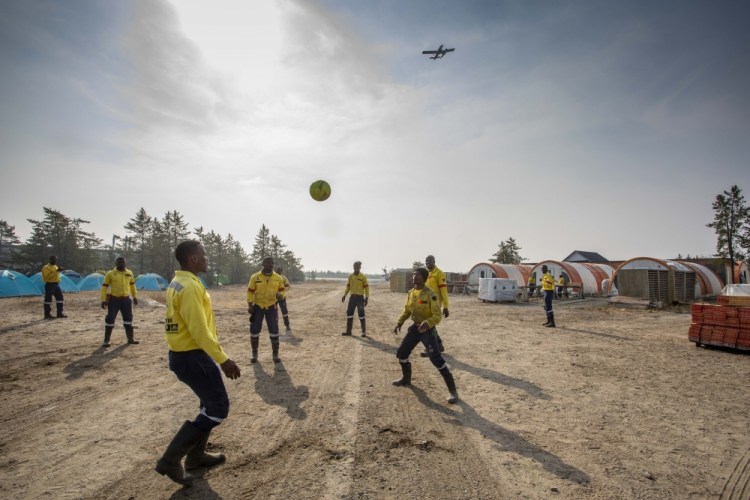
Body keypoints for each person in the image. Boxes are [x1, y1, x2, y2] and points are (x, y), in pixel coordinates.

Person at [155, 240, 241, 486]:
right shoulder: (190, 287)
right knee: (218, 408)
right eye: (203, 255)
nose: (207, 259)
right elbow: (199, 331)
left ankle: (196, 455)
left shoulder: (178, 282)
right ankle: (171, 460)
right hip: (193, 355)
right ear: (192, 258)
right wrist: (223, 360)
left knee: (208, 404)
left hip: (183, 354)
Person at [393, 267, 458, 404]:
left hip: (427, 331)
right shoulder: (411, 293)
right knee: (402, 353)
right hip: (415, 329)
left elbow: (437, 315)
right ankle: (406, 378)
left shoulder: (430, 294)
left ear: (424, 277)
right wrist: (399, 322)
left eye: (417, 275)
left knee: (436, 359)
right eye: (413, 275)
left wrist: (427, 323)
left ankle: (453, 391)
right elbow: (407, 311)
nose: (414, 277)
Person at [247, 257, 286, 362]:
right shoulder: (255, 277)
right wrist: (250, 305)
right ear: (263, 264)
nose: (271, 265)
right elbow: (250, 291)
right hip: (257, 307)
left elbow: (282, 290)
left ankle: (275, 354)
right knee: (254, 330)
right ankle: (254, 354)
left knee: (274, 330)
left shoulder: (278, 278)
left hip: (271, 307)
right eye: (269, 263)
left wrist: (281, 295)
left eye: (272, 264)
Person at [100, 257, 139, 347]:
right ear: (116, 263)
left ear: (125, 263)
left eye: (123, 262)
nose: (121, 264)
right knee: (110, 318)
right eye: (119, 262)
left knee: (128, 319)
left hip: (126, 300)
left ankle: (130, 338)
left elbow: (132, 286)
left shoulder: (129, 273)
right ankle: (106, 340)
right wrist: (103, 299)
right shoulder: (110, 274)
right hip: (114, 300)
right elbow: (104, 287)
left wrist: (134, 296)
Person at [420, 255, 449, 357]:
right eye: (426, 262)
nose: (427, 263)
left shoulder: (439, 273)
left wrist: (446, 306)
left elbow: (444, 291)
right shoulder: (427, 274)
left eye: (429, 261)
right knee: (430, 325)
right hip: (426, 303)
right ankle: (439, 345)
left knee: (428, 325)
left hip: (435, 304)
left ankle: (430, 348)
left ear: (434, 261)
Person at [341, 261, 369, 337]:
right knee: (349, 313)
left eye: (357, 266)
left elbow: (366, 288)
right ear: (353, 267)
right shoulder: (350, 276)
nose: (356, 268)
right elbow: (348, 286)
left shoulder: (363, 277)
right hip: (352, 298)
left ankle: (363, 332)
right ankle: (348, 331)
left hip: (360, 298)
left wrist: (366, 298)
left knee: (361, 314)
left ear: (360, 267)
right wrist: (344, 295)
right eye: (355, 266)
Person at [275, 266, 292, 334]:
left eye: (279, 270)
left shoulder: (284, 278)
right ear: (275, 270)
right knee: (274, 312)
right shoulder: (273, 277)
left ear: (281, 271)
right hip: (274, 298)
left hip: (282, 297)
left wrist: (281, 292)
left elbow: (288, 286)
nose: (278, 271)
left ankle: (287, 325)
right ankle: (275, 326)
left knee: (284, 311)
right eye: (277, 270)